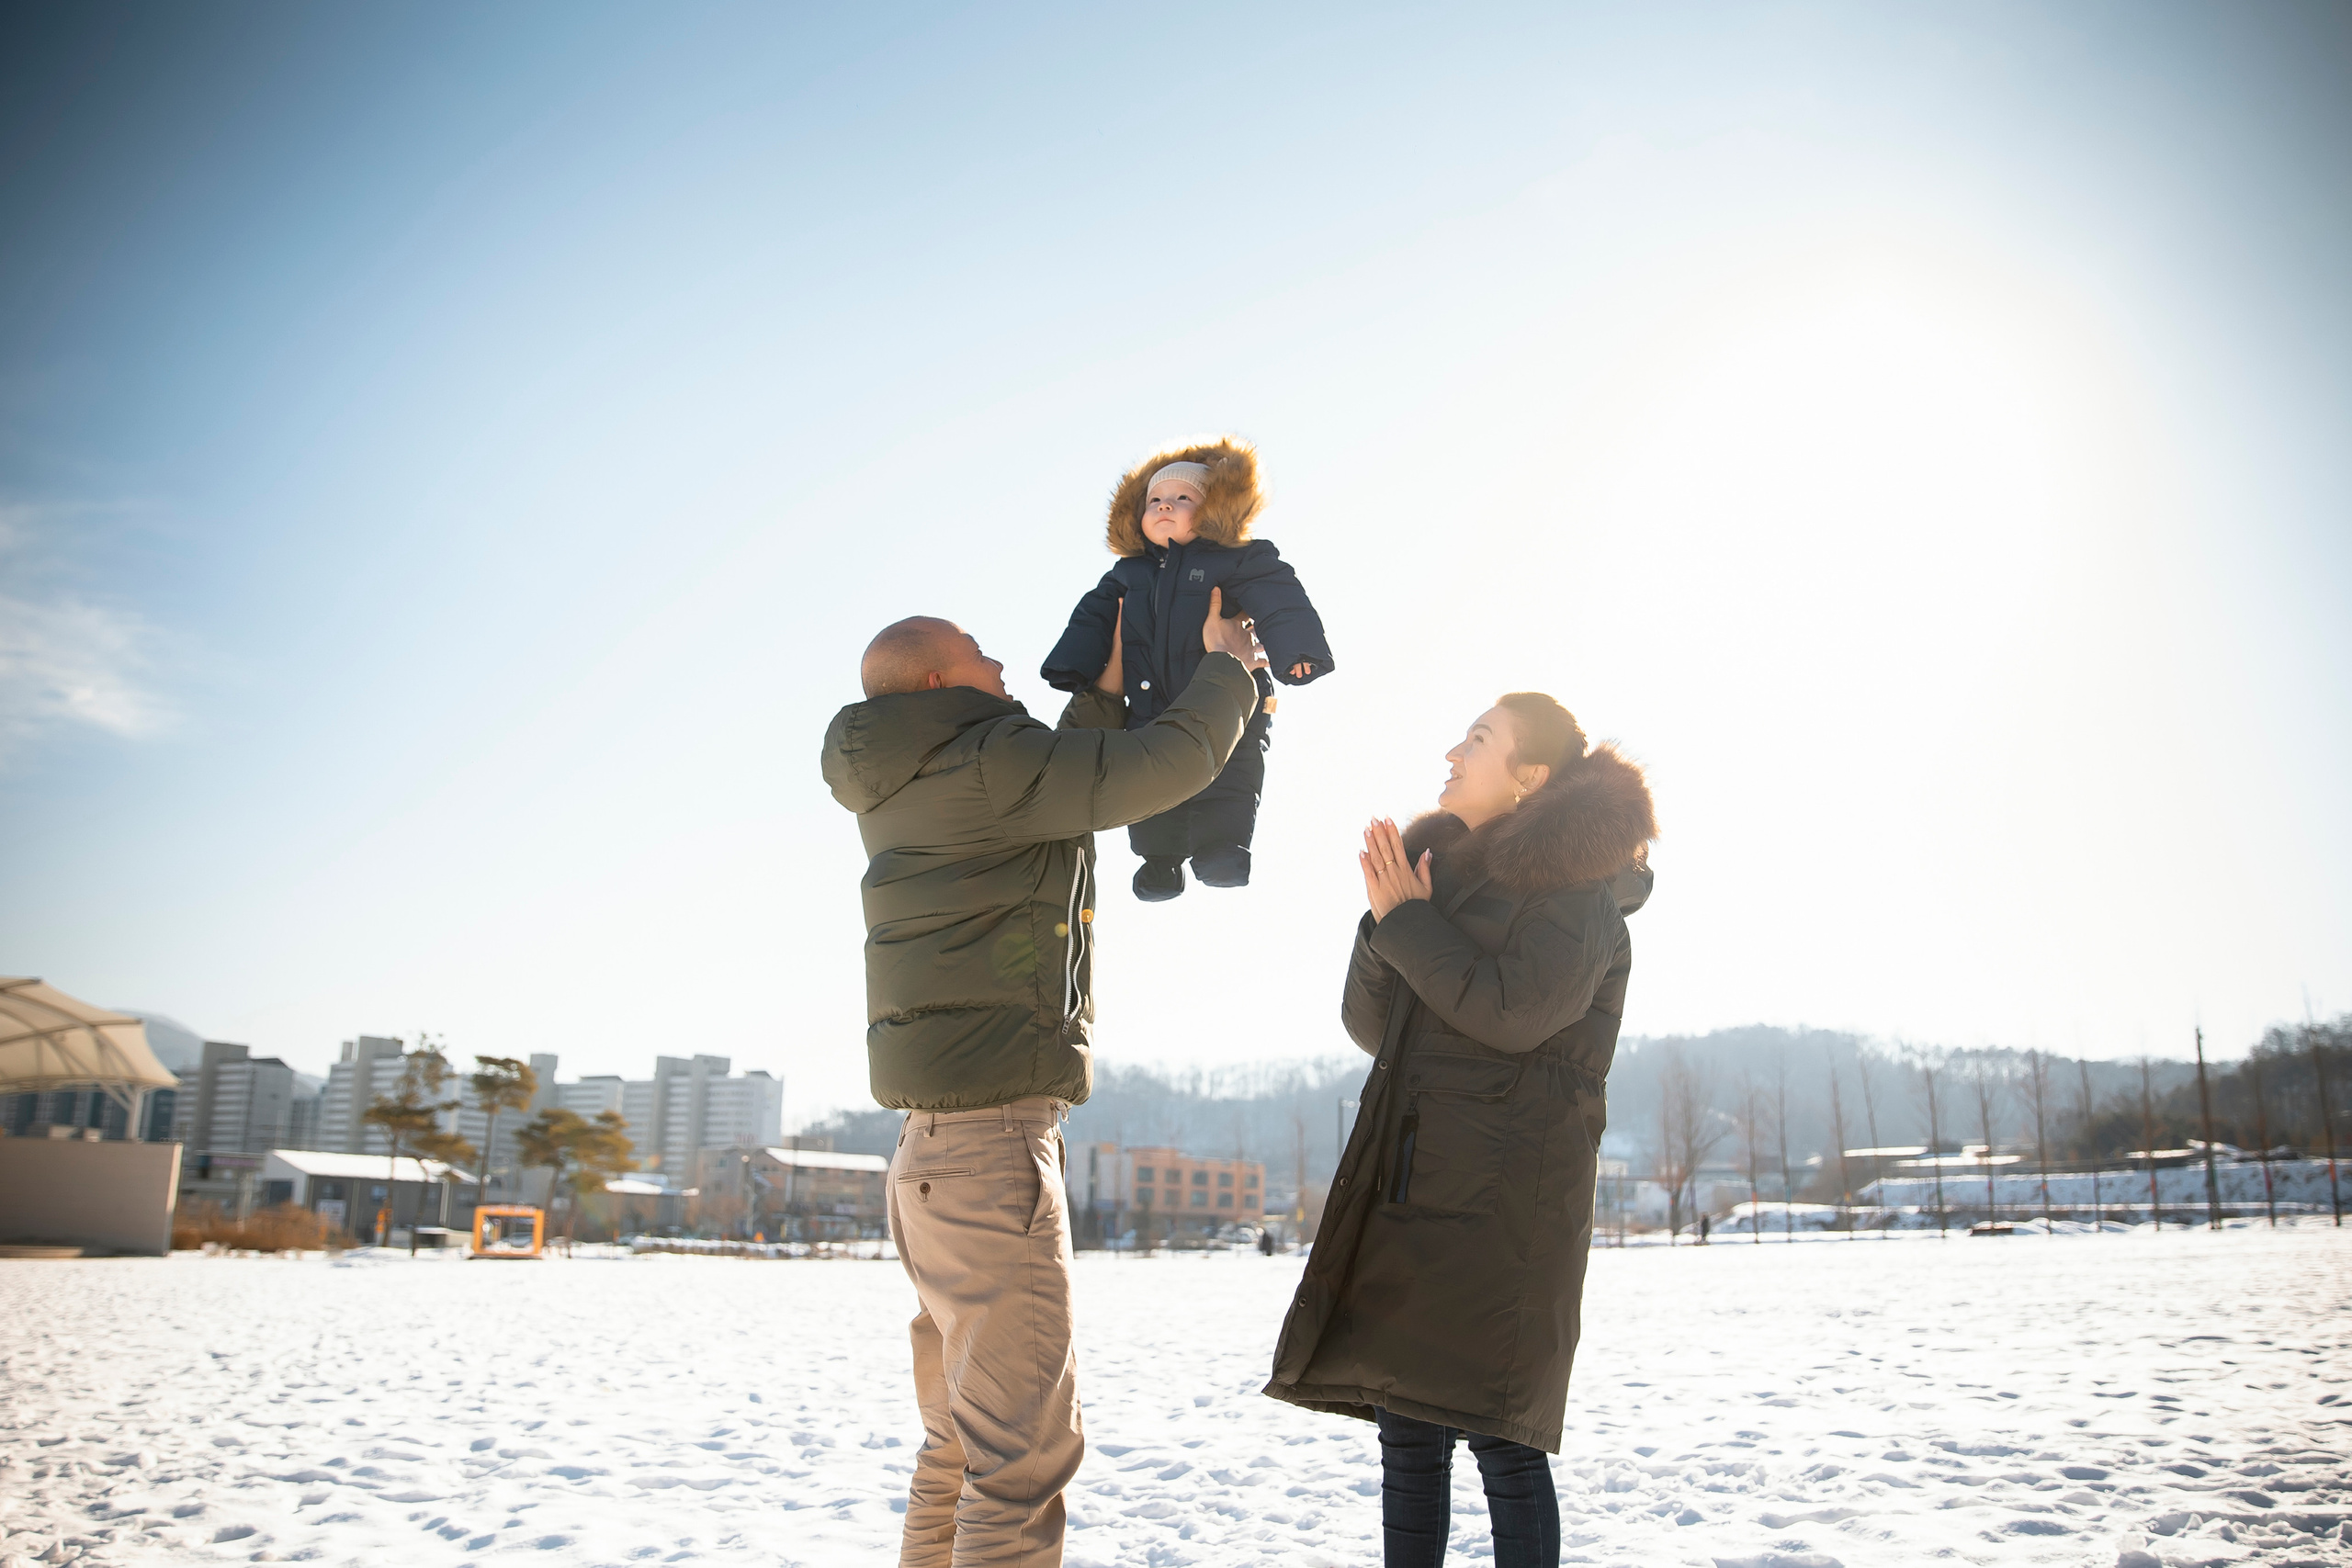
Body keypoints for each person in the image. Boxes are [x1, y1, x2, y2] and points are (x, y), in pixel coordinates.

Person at [822, 604, 1264, 1568]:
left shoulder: (915, 775)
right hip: (987, 1154)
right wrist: (1230, 671)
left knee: (960, 1446)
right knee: (1018, 1465)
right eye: (979, 655)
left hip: (933, 1160)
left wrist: (1098, 695)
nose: (1000, 662)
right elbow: (1161, 768)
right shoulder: (987, 763)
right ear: (939, 685)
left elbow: (1065, 791)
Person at [1262, 692, 1658, 1568]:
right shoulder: (1445, 874)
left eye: (1477, 738)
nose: (1452, 750)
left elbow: (1512, 1012)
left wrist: (1409, 923)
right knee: (1406, 1434)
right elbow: (1375, 1027)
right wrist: (1385, 919)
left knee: (1501, 1437)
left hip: (1505, 1206)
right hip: (1414, 1184)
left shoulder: (1579, 895)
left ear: (1531, 777)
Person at [1040, 436, 1334, 901]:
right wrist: (1072, 665)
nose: (1164, 507)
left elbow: (1280, 600)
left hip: (1232, 695)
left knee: (1231, 770)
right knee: (1148, 775)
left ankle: (1223, 848)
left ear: (1213, 508)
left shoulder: (1238, 559)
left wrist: (1297, 652)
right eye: (1155, 500)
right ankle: (1159, 861)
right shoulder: (1128, 573)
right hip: (1150, 702)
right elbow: (1093, 616)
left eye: (1182, 499)